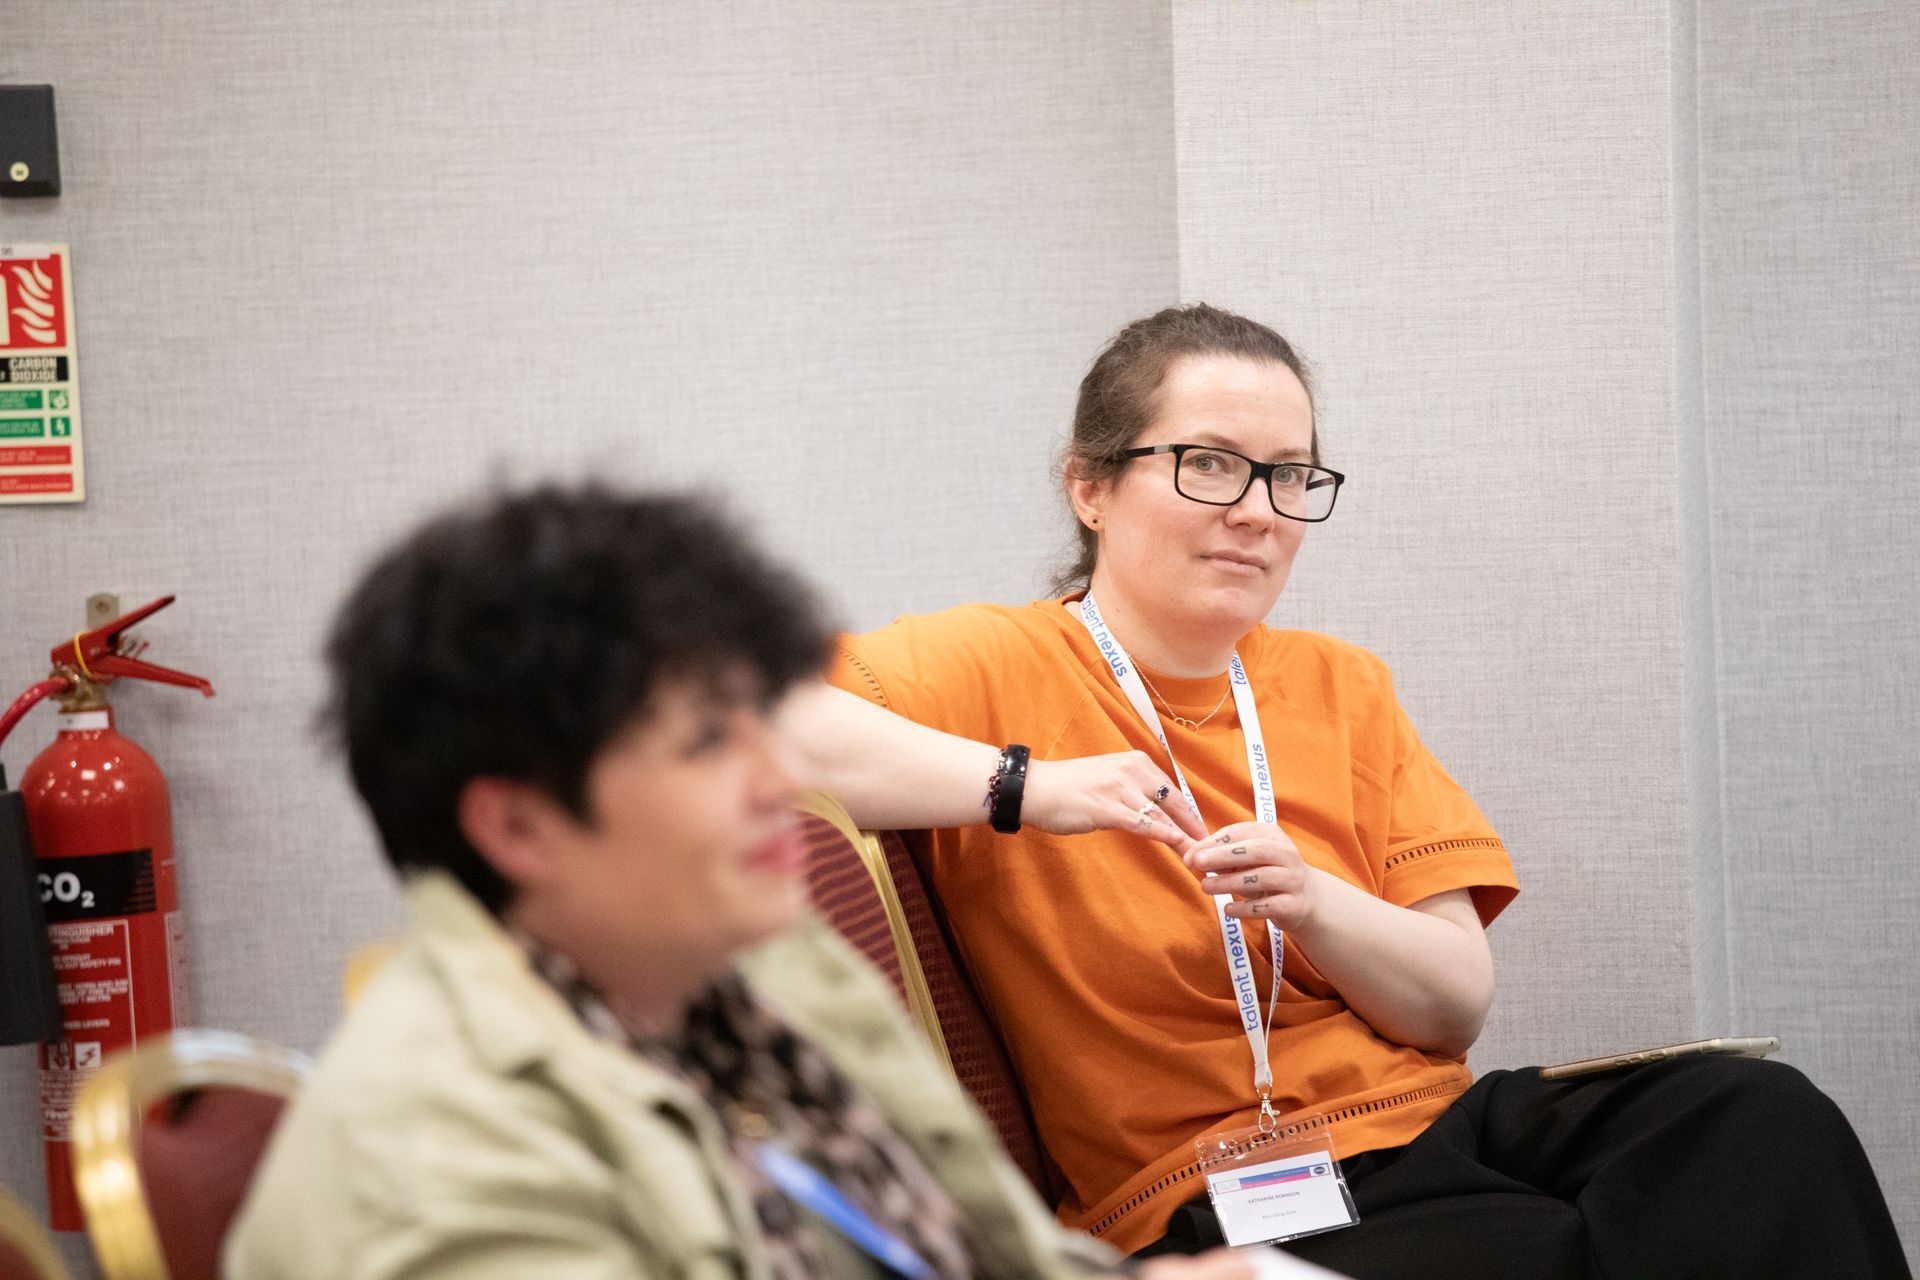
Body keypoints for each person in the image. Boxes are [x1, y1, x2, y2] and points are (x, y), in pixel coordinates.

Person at [787, 304, 1910, 1277]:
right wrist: (1024, 784)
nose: (1259, 509)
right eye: (1211, 463)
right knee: (1550, 1255)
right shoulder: (985, 664)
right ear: (1089, 486)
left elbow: (1451, 1001)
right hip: (1206, 1187)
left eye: (1290, 474)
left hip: (1430, 1126)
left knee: (1755, 1120)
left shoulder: (1342, 683)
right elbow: (727, 718)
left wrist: (1316, 903)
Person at [225, 487, 1303, 1280]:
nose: (777, 777)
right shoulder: (447, 1159)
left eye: (764, 722)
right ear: (516, 823)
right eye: (706, 742)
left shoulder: (748, 967)